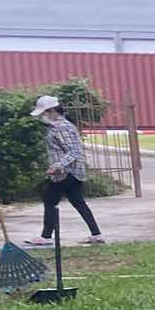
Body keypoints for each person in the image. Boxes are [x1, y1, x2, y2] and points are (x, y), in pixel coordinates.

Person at [31, 95, 106, 245]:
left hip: (66, 173)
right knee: (78, 202)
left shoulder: (62, 127)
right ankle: (96, 234)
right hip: (72, 172)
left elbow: (74, 151)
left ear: (52, 111)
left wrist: (58, 165)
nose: (42, 117)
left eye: (43, 113)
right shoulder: (60, 126)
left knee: (50, 200)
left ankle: (46, 236)